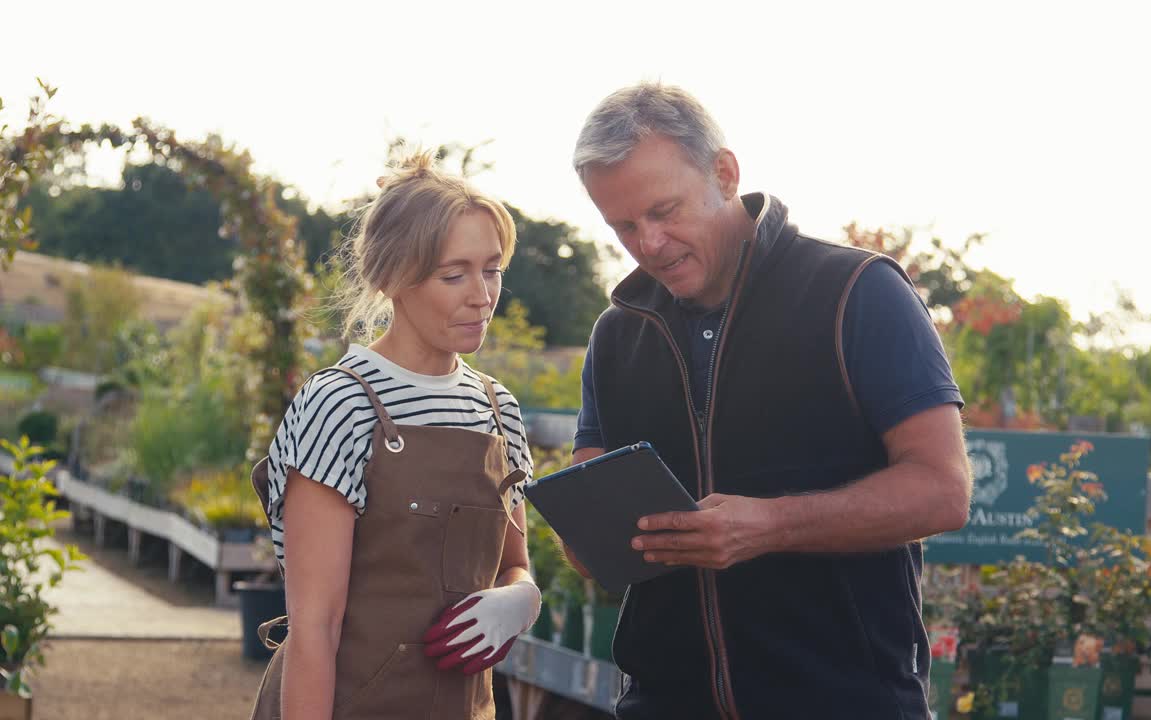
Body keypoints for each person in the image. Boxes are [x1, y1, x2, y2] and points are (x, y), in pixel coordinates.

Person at [567, 83, 972, 719]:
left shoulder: (857, 292)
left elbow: (942, 490)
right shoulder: (618, 334)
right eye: (623, 226)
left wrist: (771, 526)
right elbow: (588, 545)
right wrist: (592, 535)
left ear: (724, 174)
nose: (647, 244)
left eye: (664, 210)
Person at [246, 153, 541, 720]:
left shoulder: (497, 409)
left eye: (493, 268)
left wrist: (520, 599)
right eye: (453, 275)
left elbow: (513, 562)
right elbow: (314, 629)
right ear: (390, 278)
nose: (481, 295)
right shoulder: (341, 404)